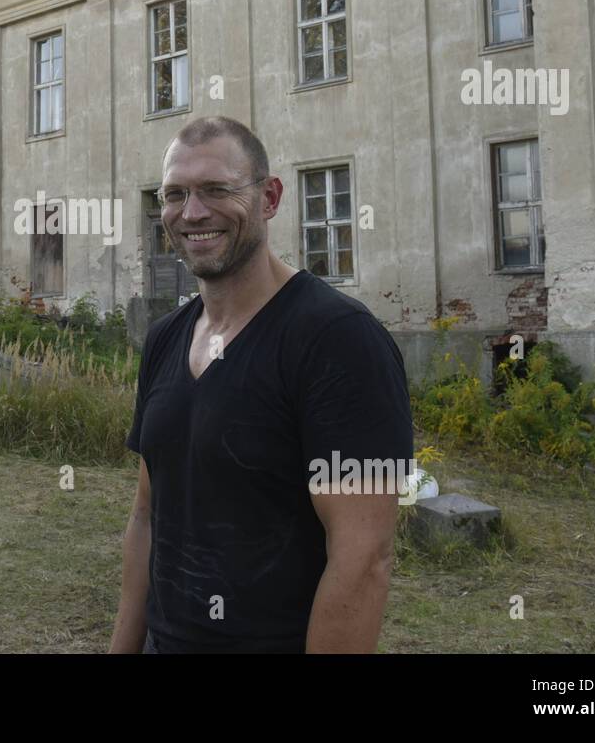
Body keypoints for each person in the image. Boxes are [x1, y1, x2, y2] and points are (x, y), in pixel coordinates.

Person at [108, 116, 413, 654]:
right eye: (175, 194)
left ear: (269, 197)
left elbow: (364, 558)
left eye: (217, 190)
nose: (192, 212)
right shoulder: (164, 339)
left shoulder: (340, 340)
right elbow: (147, 516)